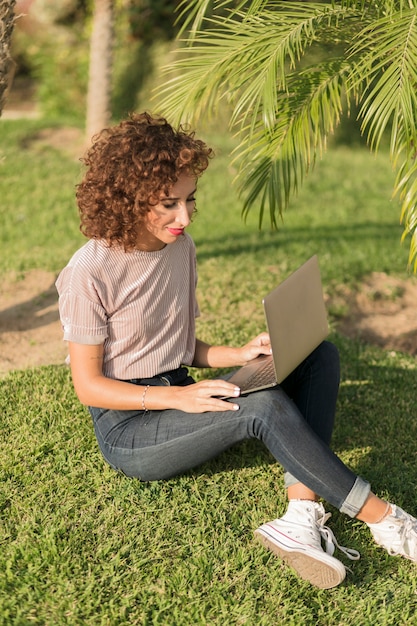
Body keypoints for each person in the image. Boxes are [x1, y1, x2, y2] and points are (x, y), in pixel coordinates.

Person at [56, 112, 417, 590]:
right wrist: (177, 398)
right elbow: (89, 386)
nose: (183, 218)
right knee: (263, 407)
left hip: (181, 392)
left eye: (189, 200)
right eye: (168, 204)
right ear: (127, 199)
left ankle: (300, 513)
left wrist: (239, 354)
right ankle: (387, 520)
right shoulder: (89, 271)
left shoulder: (180, 249)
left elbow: (180, 346)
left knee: (318, 356)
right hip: (131, 430)